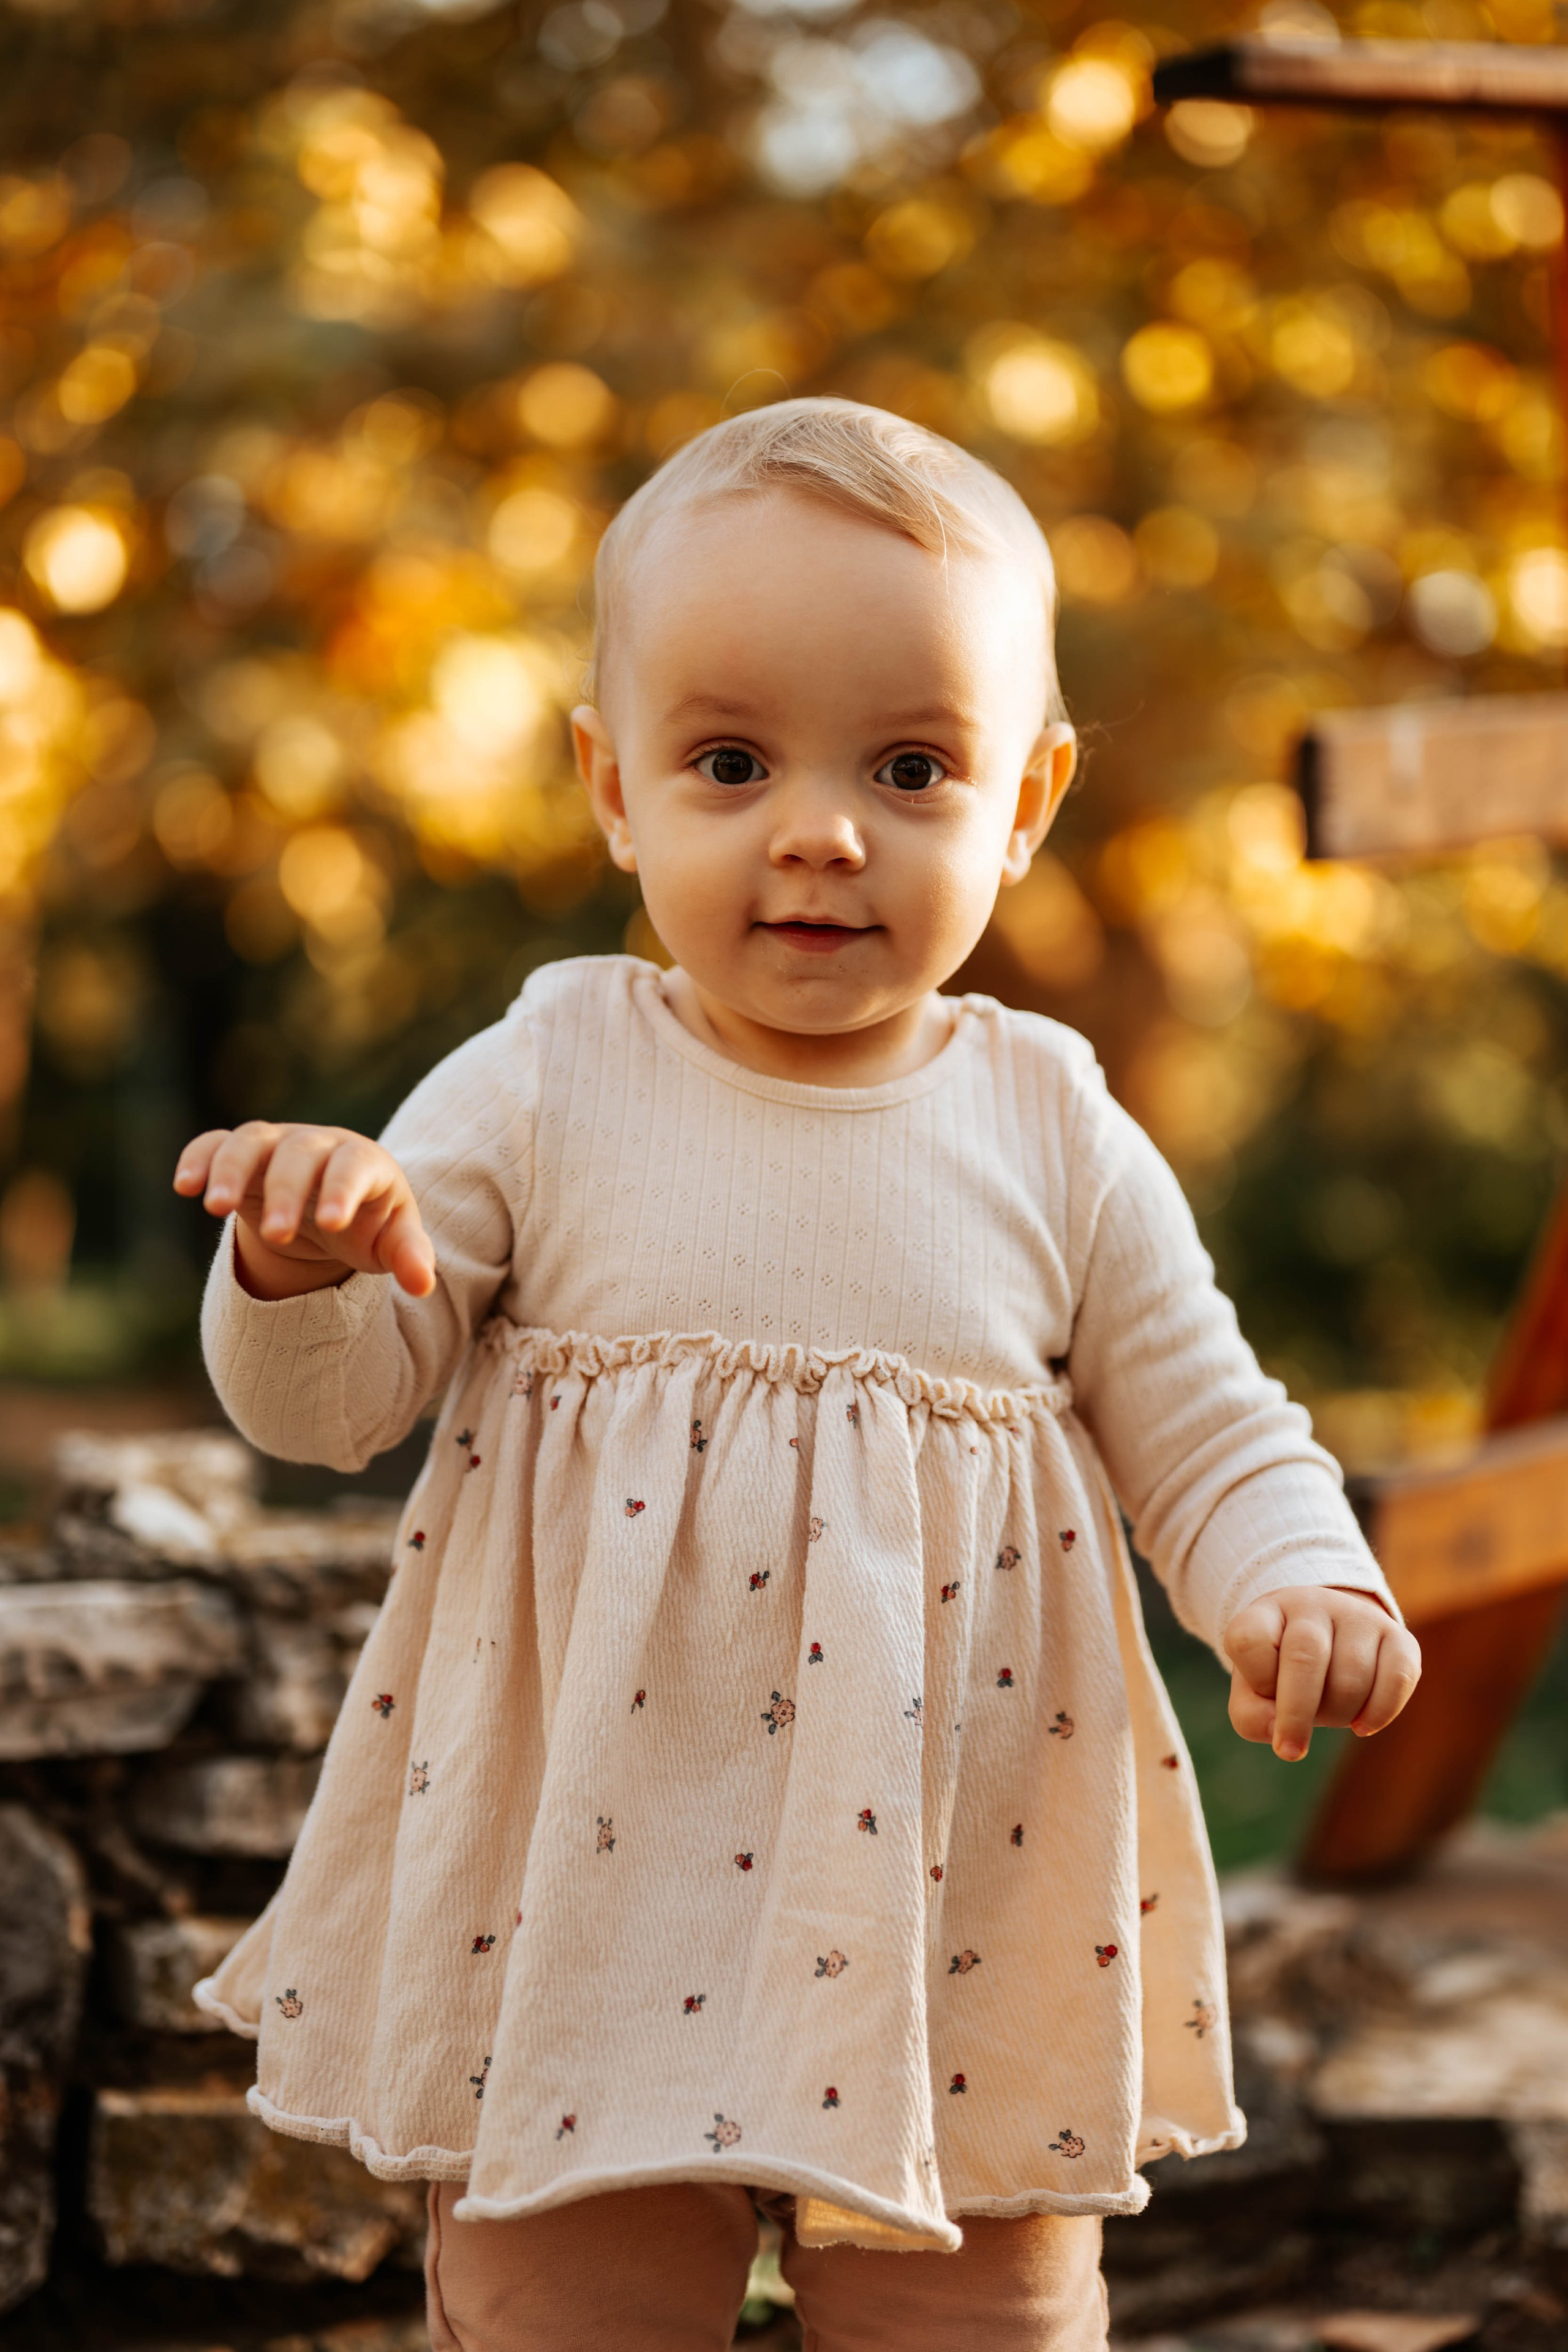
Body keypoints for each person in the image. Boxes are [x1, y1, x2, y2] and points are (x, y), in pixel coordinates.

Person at [176, 398, 1420, 2352]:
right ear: (612, 786)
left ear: (1026, 805)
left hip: (957, 1874)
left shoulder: (1051, 1121)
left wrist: (1298, 1576)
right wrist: (297, 1266)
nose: (819, 830)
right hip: (599, 1865)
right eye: (731, 760)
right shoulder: (549, 1072)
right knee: (563, 2299)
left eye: (914, 766)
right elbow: (333, 1406)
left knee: (991, 2308)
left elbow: (1211, 1425)